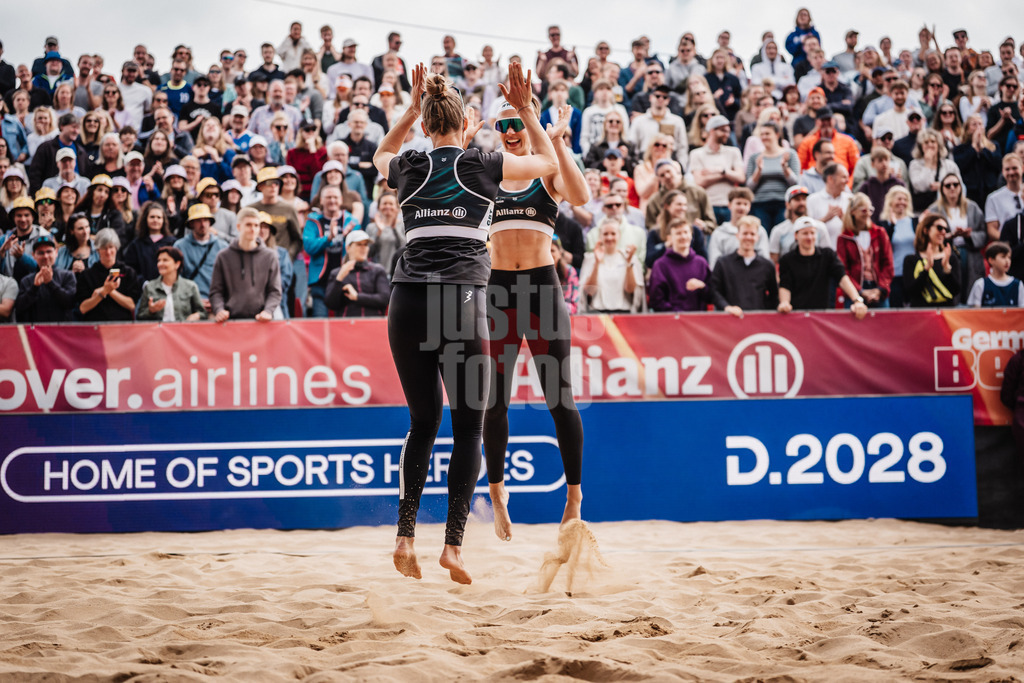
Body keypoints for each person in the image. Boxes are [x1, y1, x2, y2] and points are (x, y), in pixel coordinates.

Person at [371, 62, 557, 584]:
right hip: (461, 300)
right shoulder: (482, 163)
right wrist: (523, 110)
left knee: (422, 422)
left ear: (427, 126)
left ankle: (405, 535)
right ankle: (452, 547)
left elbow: (379, 154)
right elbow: (544, 160)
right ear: (464, 123)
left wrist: (408, 112)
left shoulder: (409, 164)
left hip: (405, 302)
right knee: (467, 426)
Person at [483, 97, 589, 541]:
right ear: (496, 129)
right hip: (499, 290)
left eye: (518, 122)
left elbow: (581, 197)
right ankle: (497, 491)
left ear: (528, 127)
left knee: (558, 398)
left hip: (542, 289)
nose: (511, 129)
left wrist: (558, 139)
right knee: (495, 398)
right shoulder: (484, 176)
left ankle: (574, 495)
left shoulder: (545, 173)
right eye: (503, 123)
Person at [777, 216, 869, 318]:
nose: (810, 237)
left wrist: (857, 300)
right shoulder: (787, 260)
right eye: (805, 233)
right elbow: (785, 285)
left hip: (823, 317)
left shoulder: (828, 255)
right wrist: (785, 303)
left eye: (812, 233)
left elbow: (842, 277)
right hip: (797, 316)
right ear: (796, 235)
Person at [209, 207, 281, 322]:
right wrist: (219, 310)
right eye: (248, 225)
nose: (253, 229)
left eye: (256, 225)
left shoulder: (270, 256)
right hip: (231, 321)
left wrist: (268, 311)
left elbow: (275, 291)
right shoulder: (223, 256)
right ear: (238, 227)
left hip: (261, 321)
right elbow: (216, 291)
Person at [927, 172, 987, 304]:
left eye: (955, 184)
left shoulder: (972, 207)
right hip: (946, 253)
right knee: (951, 289)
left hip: (970, 253)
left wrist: (969, 235)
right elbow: (928, 235)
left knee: (971, 289)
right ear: (942, 189)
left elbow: (983, 234)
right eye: (948, 185)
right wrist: (949, 236)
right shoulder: (934, 209)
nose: (952, 188)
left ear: (961, 187)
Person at [710, 215, 779, 317]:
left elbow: (774, 296)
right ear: (737, 235)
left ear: (757, 237)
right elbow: (714, 291)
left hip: (758, 323)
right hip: (729, 320)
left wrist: (763, 311)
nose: (748, 237)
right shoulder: (723, 263)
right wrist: (727, 307)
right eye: (745, 233)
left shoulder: (767, 265)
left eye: (752, 234)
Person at [835, 193, 895, 308]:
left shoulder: (880, 233)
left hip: (878, 289)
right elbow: (843, 269)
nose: (867, 213)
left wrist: (881, 289)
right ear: (852, 212)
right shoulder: (844, 238)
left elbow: (888, 264)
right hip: (854, 292)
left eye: (870, 210)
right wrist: (859, 291)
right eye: (863, 210)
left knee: (883, 325)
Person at [689, 115, 745, 225]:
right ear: (712, 130)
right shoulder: (696, 154)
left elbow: (741, 177)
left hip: (729, 205)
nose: (727, 135)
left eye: (728, 131)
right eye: (723, 131)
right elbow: (699, 182)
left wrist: (720, 170)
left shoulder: (734, 152)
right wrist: (726, 174)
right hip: (708, 206)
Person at [579, 217, 643, 312]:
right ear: (600, 236)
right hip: (597, 312)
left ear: (619, 235)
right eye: (605, 234)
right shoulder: (590, 258)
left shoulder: (630, 257)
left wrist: (629, 264)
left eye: (613, 233)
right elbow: (589, 291)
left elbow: (630, 290)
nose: (609, 238)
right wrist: (596, 263)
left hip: (624, 312)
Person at [75, 228, 140, 322]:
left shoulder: (129, 272)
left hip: (122, 326)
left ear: (116, 248)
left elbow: (131, 305)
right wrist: (104, 291)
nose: (108, 252)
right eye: (104, 248)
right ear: (97, 250)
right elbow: (83, 308)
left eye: (111, 247)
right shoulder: (87, 275)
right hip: (95, 327)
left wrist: (109, 291)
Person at [745, 121, 800, 232]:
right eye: (762, 134)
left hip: (783, 203)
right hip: (760, 203)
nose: (764, 137)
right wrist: (759, 170)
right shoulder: (755, 157)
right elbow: (749, 186)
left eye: (767, 134)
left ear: (777, 134)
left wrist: (785, 168)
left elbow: (795, 183)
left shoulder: (790, 154)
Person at [173, 202, 229, 310]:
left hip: (216, 304)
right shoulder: (180, 246)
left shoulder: (223, 247)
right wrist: (194, 300)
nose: (202, 224)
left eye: (205, 220)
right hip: (187, 303)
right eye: (198, 220)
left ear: (210, 222)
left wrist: (218, 302)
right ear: (191, 224)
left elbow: (228, 278)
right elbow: (176, 278)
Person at [323, 229, 390, 316]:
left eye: (365, 244)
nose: (363, 248)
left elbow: (384, 299)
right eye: (359, 244)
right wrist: (339, 279)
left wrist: (357, 297)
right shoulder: (337, 273)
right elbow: (330, 304)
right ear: (348, 248)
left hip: (373, 325)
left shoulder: (377, 270)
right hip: (346, 326)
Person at [648, 219, 711, 312]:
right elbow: (656, 300)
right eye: (678, 233)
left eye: (686, 232)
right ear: (669, 238)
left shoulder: (701, 263)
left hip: (699, 322)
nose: (683, 236)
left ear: (691, 235)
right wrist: (678, 315)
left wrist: (703, 287)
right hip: (671, 322)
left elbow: (712, 296)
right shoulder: (660, 265)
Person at [14, 233, 77, 322]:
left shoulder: (67, 276)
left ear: (56, 252)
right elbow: (19, 309)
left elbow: (70, 303)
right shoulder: (27, 281)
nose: (45, 256)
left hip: (62, 332)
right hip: (36, 332)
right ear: (33, 255)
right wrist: (34, 288)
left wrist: (51, 283)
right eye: (41, 253)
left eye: (49, 251)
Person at [904, 213, 961, 307]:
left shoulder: (951, 258)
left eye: (945, 229)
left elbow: (955, 291)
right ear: (926, 230)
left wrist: (947, 269)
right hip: (921, 315)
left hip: (945, 315)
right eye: (939, 227)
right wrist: (926, 269)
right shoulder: (911, 260)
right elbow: (911, 292)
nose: (943, 232)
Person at [136, 245, 206, 321]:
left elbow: (203, 313)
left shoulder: (190, 286)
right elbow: (139, 316)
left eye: (165, 260)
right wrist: (150, 311)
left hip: (182, 331)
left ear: (177, 264)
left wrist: (196, 316)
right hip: (158, 331)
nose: (160, 264)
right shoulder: (149, 287)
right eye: (159, 260)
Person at [706, 187, 770, 269]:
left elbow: (764, 258)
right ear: (729, 205)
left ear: (750, 206)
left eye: (745, 204)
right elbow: (714, 262)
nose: (742, 207)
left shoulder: (759, 231)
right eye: (738, 203)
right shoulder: (719, 233)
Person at [877, 186, 916, 307]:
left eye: (905, 199)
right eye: (899, 199)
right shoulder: (883, 224)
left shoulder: (915, 222)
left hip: (913, 274)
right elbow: (883, 247)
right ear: (891, 201)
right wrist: (892, 226)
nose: (902, 202)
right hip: (894, 274)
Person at [769, 186, 829, 261]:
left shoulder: (820, 227)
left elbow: (827, 256)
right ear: (788, 204)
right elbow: (774, 259)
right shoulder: (778, 231)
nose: (801, 203)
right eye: (797, 199)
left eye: (804, 199)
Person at [909, 128, 962, 213]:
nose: (930, 145)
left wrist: (942, 186)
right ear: (921, 146)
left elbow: (960, 186)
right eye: (926, 142)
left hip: (946, 208)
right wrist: (928, 164)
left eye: (933, 142)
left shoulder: (949, 165)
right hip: (923, 209)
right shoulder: (914, 164)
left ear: (938, 145)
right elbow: (919, 186)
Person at [122, 201, 176, 284]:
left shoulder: (172, 242)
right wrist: (143, 283)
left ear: (163, 220)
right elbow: (131, 269)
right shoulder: (136, 244)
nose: (155, 220)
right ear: (145, 219)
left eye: (159, 217)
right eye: (152, 217)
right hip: (143, 290)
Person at [806, 163, 854, 247]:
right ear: (830, 179)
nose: (847, 181)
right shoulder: (812, 200)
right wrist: (825, 218)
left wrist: (844, 219)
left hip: (847, 252)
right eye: (843, 177)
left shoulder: (851, 199)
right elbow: (805, 228)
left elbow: (858, 229)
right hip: (821, 253)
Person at [967, 241, 1023, 307]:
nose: (1007, 261)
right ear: (991, 260)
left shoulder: (1018, 285)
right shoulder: (980, 284)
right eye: (1003, 257)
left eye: (1009, 257)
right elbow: (975, 312)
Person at [365, 190, 405, 277]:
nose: (387, 206)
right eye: (384, 203)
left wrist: (394, 229)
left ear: (397, 208)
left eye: (391, 204)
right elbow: (368, 253)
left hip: (398, 273)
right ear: (379, 207)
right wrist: (378, 233)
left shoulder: (403, 226)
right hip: (377, 274)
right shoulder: (371, 227)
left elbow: (404, 248)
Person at [985, 153, 1023, 241]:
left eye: (1014, 168)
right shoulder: (993, 198)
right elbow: (991, 229)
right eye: (1007, 169)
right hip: (1007, 247)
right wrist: (1009, 241)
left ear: (1022, 168)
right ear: (1003, 171)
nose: (1011, 172)